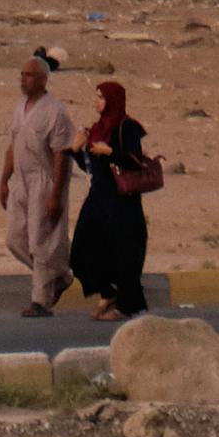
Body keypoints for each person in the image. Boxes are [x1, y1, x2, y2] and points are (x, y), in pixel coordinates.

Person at [67, 76, 153, 322]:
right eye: (96, 96)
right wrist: (76, 150)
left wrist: (111, 152)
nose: (96, 101)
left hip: (122, 202)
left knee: (124, 253)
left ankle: (128, 305)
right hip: (98, 199)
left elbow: (135, 161)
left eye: (102, 97)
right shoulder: (97, 129)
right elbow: (92, 168)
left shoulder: (127, 127)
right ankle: (107, 292)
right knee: (81, 250)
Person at [0, 51, 74, 316]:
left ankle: (40, 301)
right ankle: (59, 275)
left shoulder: (55, 112)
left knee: (40, 241)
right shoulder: (20, 107)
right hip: (21, 179)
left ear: (43, 80)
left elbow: (62, 155)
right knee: (15, 238)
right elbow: (13, 144)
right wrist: (4, 180)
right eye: (22, 74)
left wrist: (56, 194)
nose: (23, 80)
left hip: (44, 181)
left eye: (29, 75)